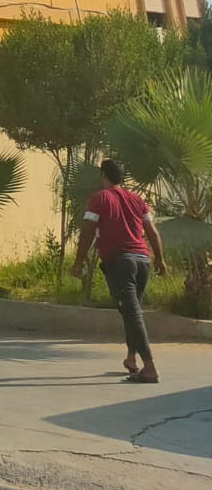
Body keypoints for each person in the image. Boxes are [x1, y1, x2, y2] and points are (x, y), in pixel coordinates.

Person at [70, 158, 166, 383]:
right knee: (131, 311)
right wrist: (160, 259)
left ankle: (150, 367)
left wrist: (79, 261)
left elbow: (88, 231)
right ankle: (131, 359)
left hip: (120, 262)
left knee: (132, 314)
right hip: (143, 260)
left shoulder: (99, 198)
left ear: (103, 175)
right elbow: (152, 231)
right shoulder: (137, 199)